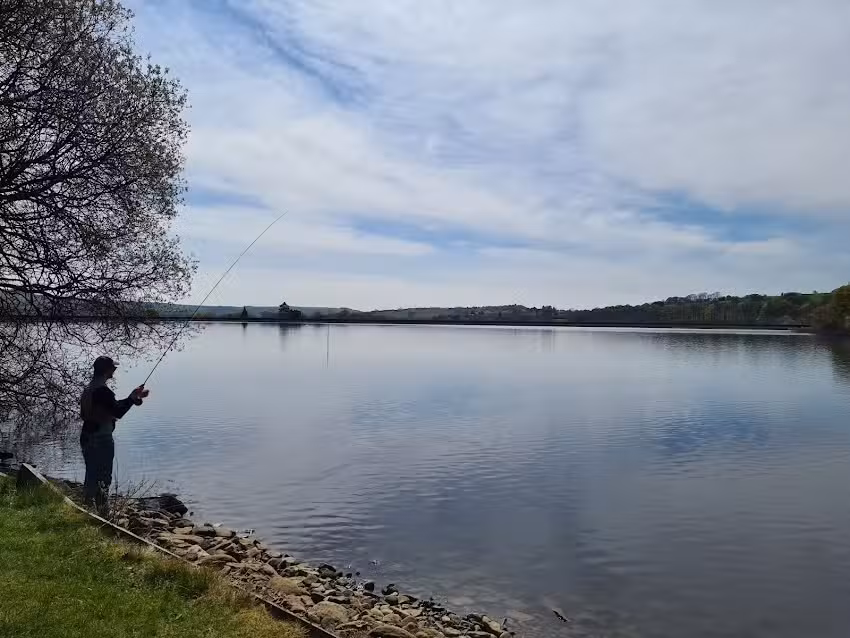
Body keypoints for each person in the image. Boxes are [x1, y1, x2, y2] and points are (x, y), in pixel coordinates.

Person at [79, 356, 148, 513]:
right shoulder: (103, 391)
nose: (115, 370)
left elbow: (111, 407)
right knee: (103, 477)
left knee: (91, 474)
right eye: (113, 368)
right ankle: (102, 513)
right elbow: (117, 411)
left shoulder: (90, 388)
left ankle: (87, 509)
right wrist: (131, 399)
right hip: (101, 439)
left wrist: (132, 398)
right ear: (107, 370)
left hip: (86, 436)